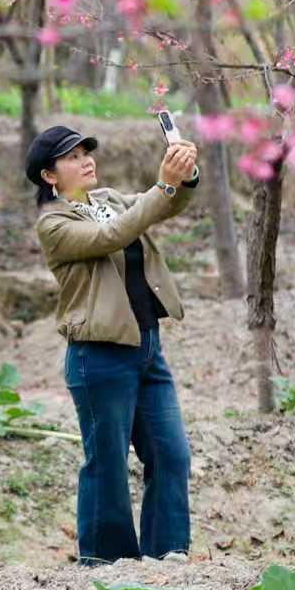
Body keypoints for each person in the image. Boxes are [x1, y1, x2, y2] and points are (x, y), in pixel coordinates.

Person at [27, 123, 200, 567]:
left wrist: (184, 176)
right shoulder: (54, 223)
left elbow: (158, 207)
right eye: (72, 156)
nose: (87, 159)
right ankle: (107, 563)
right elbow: (114, 235)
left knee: (171, 452)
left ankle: (167, 555)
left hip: (146, 347)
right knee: (106, 463)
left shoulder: (108, 201)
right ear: (50, 176)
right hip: (99, 355)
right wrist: (163, 183)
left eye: (87, 151)